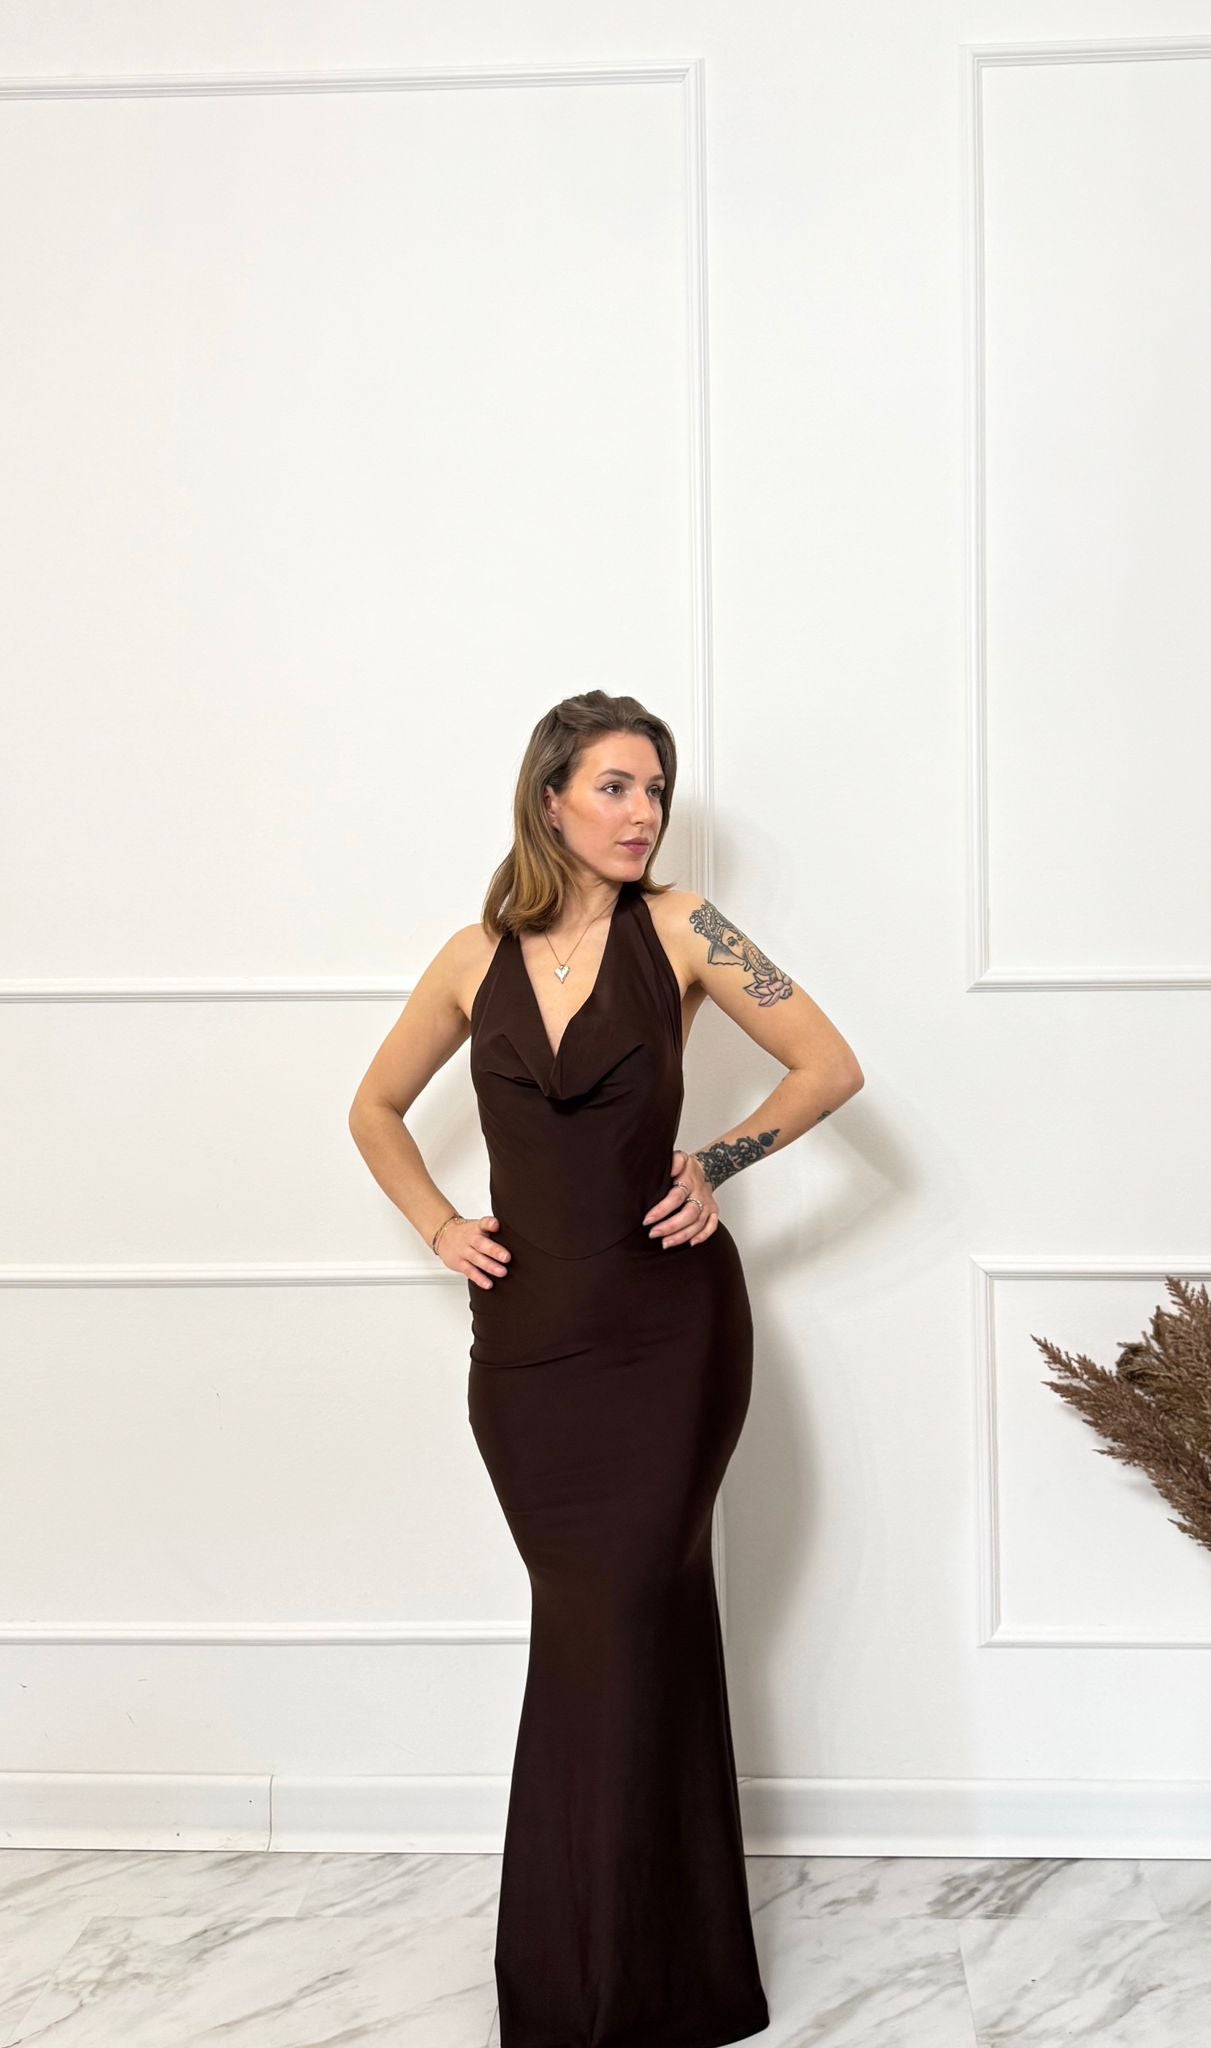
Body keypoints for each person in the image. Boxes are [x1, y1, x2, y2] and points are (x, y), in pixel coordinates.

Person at [349, 691, 863, 2047]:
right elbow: (373, 1108)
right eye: (618, 788)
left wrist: (719, 1162)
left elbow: (828, 1066)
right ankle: (660, 1977)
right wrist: (440, 1225)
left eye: (657, 791)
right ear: (551, 799)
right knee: (613, 1629)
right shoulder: (471, 958)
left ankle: (594, 1993)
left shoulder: (690, 930)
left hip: (667, 1337)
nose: (644, 815)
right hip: (526, 1353)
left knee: (618, 1625)